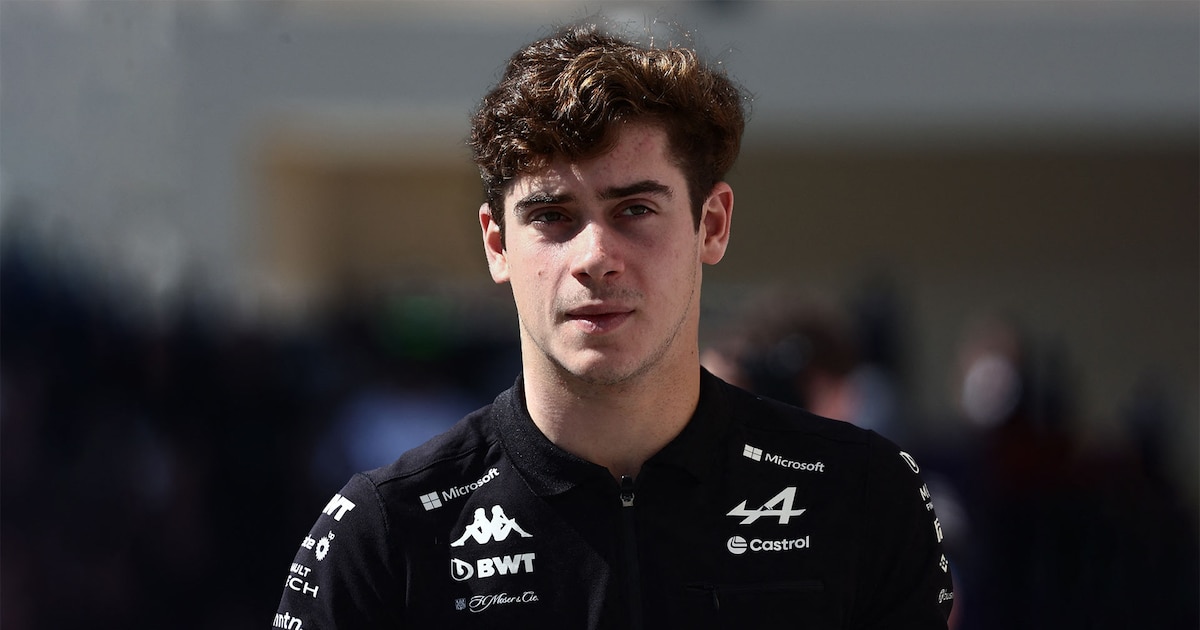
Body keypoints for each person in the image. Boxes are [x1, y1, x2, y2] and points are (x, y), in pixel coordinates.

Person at [274, 19, 954, 629]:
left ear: (712, 224)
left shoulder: (859, 493)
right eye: (552, 216)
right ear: (496, 244)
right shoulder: (385, 533)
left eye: (634, 210)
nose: (595, 257)